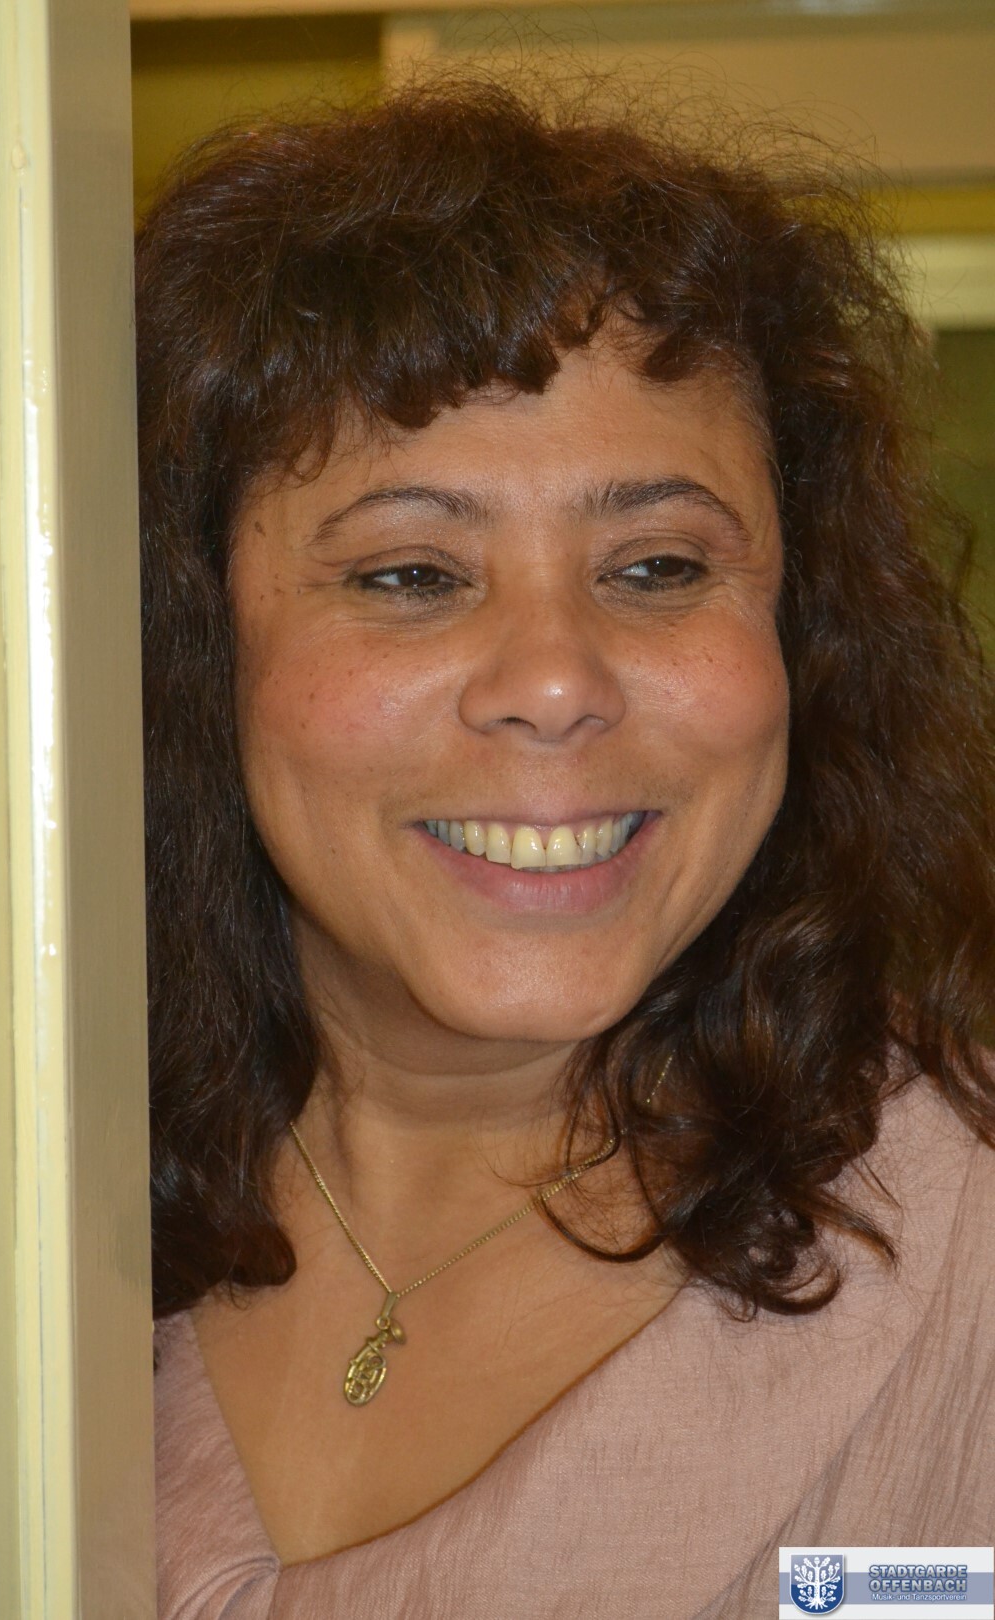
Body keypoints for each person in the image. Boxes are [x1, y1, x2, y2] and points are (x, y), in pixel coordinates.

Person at [136, 80, 995, 1618]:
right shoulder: (12, 1201)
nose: (553, 681)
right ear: (196, 651)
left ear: (802, 633)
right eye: (410, 573)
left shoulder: (970, 1262)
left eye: (657, 566)